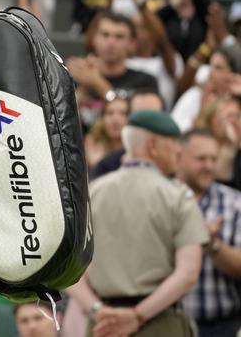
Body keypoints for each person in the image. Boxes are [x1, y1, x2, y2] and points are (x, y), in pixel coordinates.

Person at [67, 110, 208, 337]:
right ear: (152, 145)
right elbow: (188, 272)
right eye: (173, 143)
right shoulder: (178, 196)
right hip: (159, 323)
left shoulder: (90, 194)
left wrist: (97, 309)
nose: (178, 151)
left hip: (104, 325)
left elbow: (67, 270)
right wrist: (138, 316)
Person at [178, 130, 241, 336]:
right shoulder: (161, 198)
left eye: (214, 159)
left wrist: (213, 245)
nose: (209, 166)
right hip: (171, 325)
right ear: (180, 157)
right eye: (201, 159)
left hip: (224, 326)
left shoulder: (234, 203)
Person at [66, 11, 159, 128]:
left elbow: (142, 126)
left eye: (119, 37)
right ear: (93, 38)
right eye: (105, 35)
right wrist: (83, 87)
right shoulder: (78, 76)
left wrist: (98, 84)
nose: (111, 42)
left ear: (132, 43)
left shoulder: (145, 82)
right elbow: (62, 121)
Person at [171, 43, 241, 134]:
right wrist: (202, 113)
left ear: (234, 75)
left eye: (218, 68)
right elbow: (173, 129)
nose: (210, 73)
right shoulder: (195, 95)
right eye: (210, 66)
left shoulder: (236, 106)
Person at [84, 94, 129, 171]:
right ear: (102, 118)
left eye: (122, 113)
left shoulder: (137, 148)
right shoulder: (93, 143)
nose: (116, 119)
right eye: (110, 113)